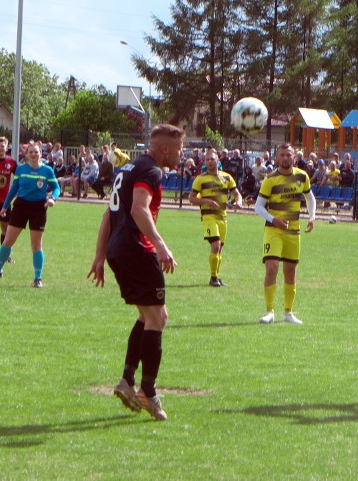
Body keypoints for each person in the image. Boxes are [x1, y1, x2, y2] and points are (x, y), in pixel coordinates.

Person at [87, 124, 185, 421]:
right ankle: (148, 391)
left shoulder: (127, 167)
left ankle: (128, 381)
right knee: (159, 317)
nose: (181, 155)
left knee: (147, 317)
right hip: (136, 249)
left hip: (118, 250)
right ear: (165, 149)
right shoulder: (151, 171)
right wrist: (160, 244)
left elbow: (109, 213)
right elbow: (139, 210)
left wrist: (100, 255)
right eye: (179, 149)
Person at [254, 143, 316, 325]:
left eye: (288, 154)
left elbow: (309, 197)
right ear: (277, 158)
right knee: (272, 268)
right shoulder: (270, 179)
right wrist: (274, 220)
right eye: (282, 155)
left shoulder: (302, 176)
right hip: (273, 230)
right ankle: (269, 311)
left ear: (294, 156)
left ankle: (288, 312)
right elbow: (258, 206)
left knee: (290, 272)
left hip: (293, 231)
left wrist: (312, 217)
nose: (285, 158)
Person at [0, 144, 60, 288]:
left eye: (36, 152)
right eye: (30, 152)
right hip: (21, 206)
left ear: (40, 153)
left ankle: (38, 278)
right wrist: (5, 206)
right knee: (8, 241)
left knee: (36, 244)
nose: (33, 154)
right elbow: (13, 189)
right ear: (26, 154)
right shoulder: (21, 169)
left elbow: (56, 188)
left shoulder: (47, 170)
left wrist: (52, 198)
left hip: (39, 208)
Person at [188, 150, 243, 287]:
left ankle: (216, 277)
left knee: (220, 249)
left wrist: (239, 202)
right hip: (208, 217)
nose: (209, 162)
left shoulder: (227, 177)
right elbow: (191, 198)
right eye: (207, 160)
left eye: (212, 159)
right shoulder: (200, 179)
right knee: (216, 245)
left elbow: (237, 194)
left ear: (218, 160)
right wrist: (206, 201)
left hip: (222, 217)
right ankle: (213, 278)